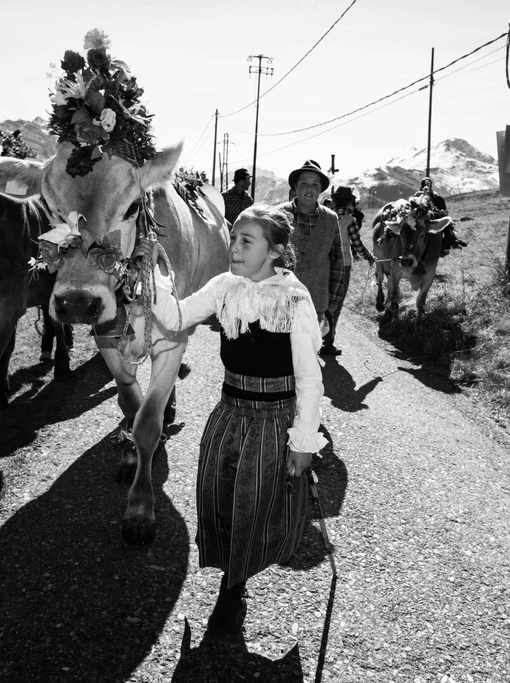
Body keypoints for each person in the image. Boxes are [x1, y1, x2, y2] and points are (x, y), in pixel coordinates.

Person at [138, 204, 326, 636]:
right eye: (234, 238)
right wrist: (156, 276)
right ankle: (230, 572)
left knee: (254, 503)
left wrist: (302, 441)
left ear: (276, 251)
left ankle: (232, 588)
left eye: (247, 241)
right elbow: (175, 317)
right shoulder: (224, 286)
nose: (234, 248)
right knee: (217, 496)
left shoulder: (294, 299)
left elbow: (310, 378)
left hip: (273, 420)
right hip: (228, 413)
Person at [277, 160, 345, 356]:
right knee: (280, 355)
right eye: (304, 183)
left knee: (307, 356)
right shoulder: (279, 214)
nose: (309, 189)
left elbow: (338, 261)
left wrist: (333, 299)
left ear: (321, 190)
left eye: (315, 184)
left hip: (315, 300)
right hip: (280, 300)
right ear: (295, 187)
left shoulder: (331, 219)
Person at [324, 186, 375, 355]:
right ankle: (328, 342)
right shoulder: (350, 220)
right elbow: (357, 245)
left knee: (321, 300)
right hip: (343, 264)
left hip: (323, 263)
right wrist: (369, 257)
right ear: (348, 202)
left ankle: (316, 338)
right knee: (336, 304)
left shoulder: (325, 215)